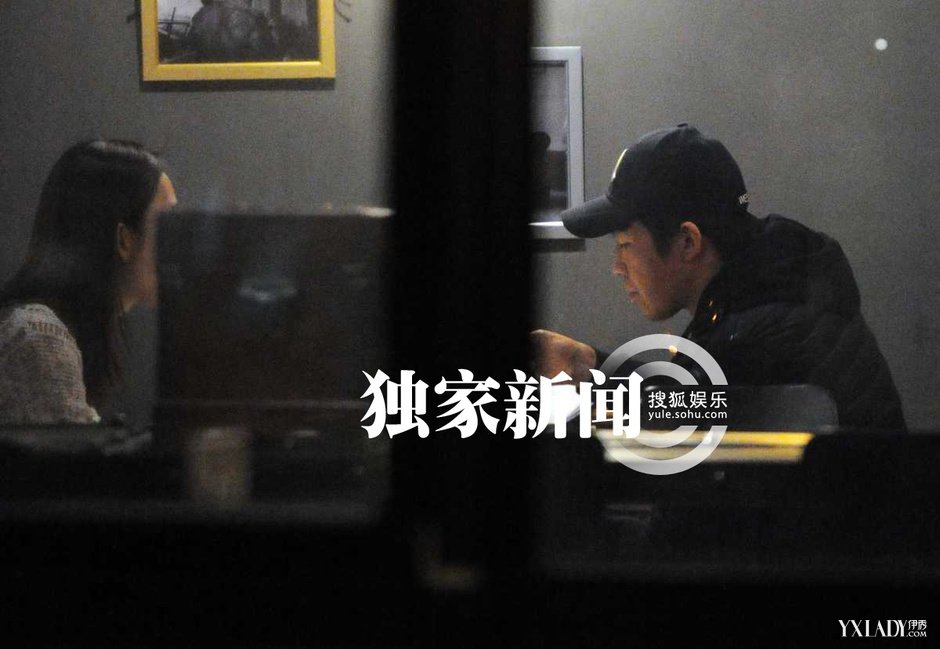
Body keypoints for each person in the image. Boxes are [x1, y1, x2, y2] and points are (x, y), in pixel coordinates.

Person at [532, 123, 905, 431]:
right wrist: (591, 365)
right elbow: (691, 399)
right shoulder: (766, 290)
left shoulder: (758, 336)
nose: (617, 266)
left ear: (688, 242)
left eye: (625, 245)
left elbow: (688, 418)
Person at [0, 140, 177, 425]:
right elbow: (69, 455)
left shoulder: (49, 331)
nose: (182, 242)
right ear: (124, 240)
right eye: (169, 224)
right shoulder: (39, 337)